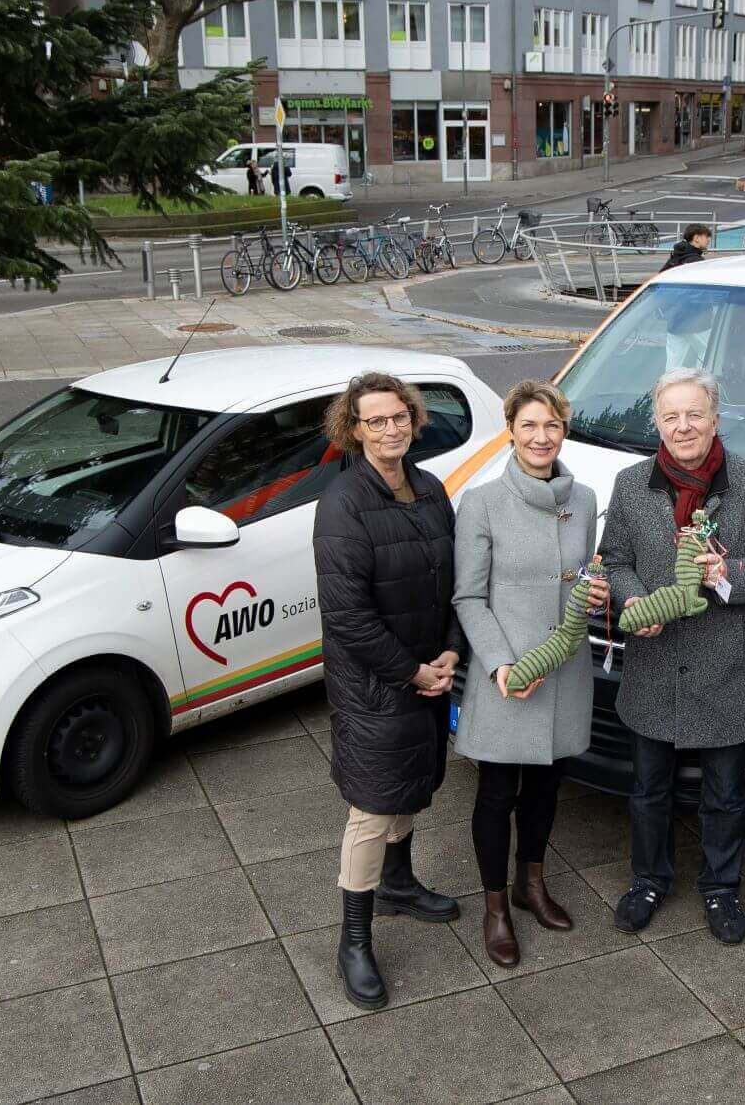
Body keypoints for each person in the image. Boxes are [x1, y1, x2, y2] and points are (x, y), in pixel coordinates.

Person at [602, 367, 745, 945]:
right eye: (671, 416)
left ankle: (721, 887)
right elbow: (612, 558)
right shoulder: (630, 484)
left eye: (694, 414)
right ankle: (648, 881)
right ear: (657, 423)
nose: (683, 426)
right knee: (647, 789)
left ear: (716, 418)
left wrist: (727, 573)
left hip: (726, 671)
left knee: (724, 793)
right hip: (654, 664)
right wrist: (635, 598)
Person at [313, 372, 463, 1011]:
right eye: (375, 420)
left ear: (413, 419)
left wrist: (454, 649)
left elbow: (458, 580)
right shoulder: (343, 504)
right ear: (353, 429)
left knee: (411, 787)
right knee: (373, 809)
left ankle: (400, 886)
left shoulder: (429, 489)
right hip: (378, 686)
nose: (391, 429)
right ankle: (354, 937)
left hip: (430, 671)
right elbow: (346, 616)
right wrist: (412, 671)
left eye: (399, 416)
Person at [453, 381, 607, 967]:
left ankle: (531, 884)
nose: (542, 437)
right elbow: (469, 597)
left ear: (563, 431)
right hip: (507, 673)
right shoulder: (483, 502)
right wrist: (500, 664)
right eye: (530, 426)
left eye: (553, 426)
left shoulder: (585, 498)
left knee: (546, 786)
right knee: (496, 793)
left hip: (565, 671)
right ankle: (495, 906)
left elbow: (581, 577)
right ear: (511, 431)